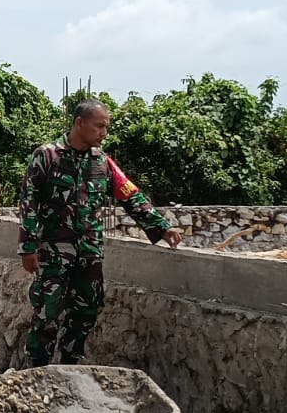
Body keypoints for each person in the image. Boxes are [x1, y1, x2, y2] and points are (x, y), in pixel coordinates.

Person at [16, 99, 183, 367]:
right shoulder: (47, 156)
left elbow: (131, 196)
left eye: (106, 127)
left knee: (86, 312)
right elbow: (29, 202)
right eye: (99, 126)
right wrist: (28, 247)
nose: (104, 132)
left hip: (90, 253)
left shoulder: (103, 163)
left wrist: (162, 227)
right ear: (79, 123)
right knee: (48, 312)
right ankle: (37, 370)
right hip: (53, 253)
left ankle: (69, 368)